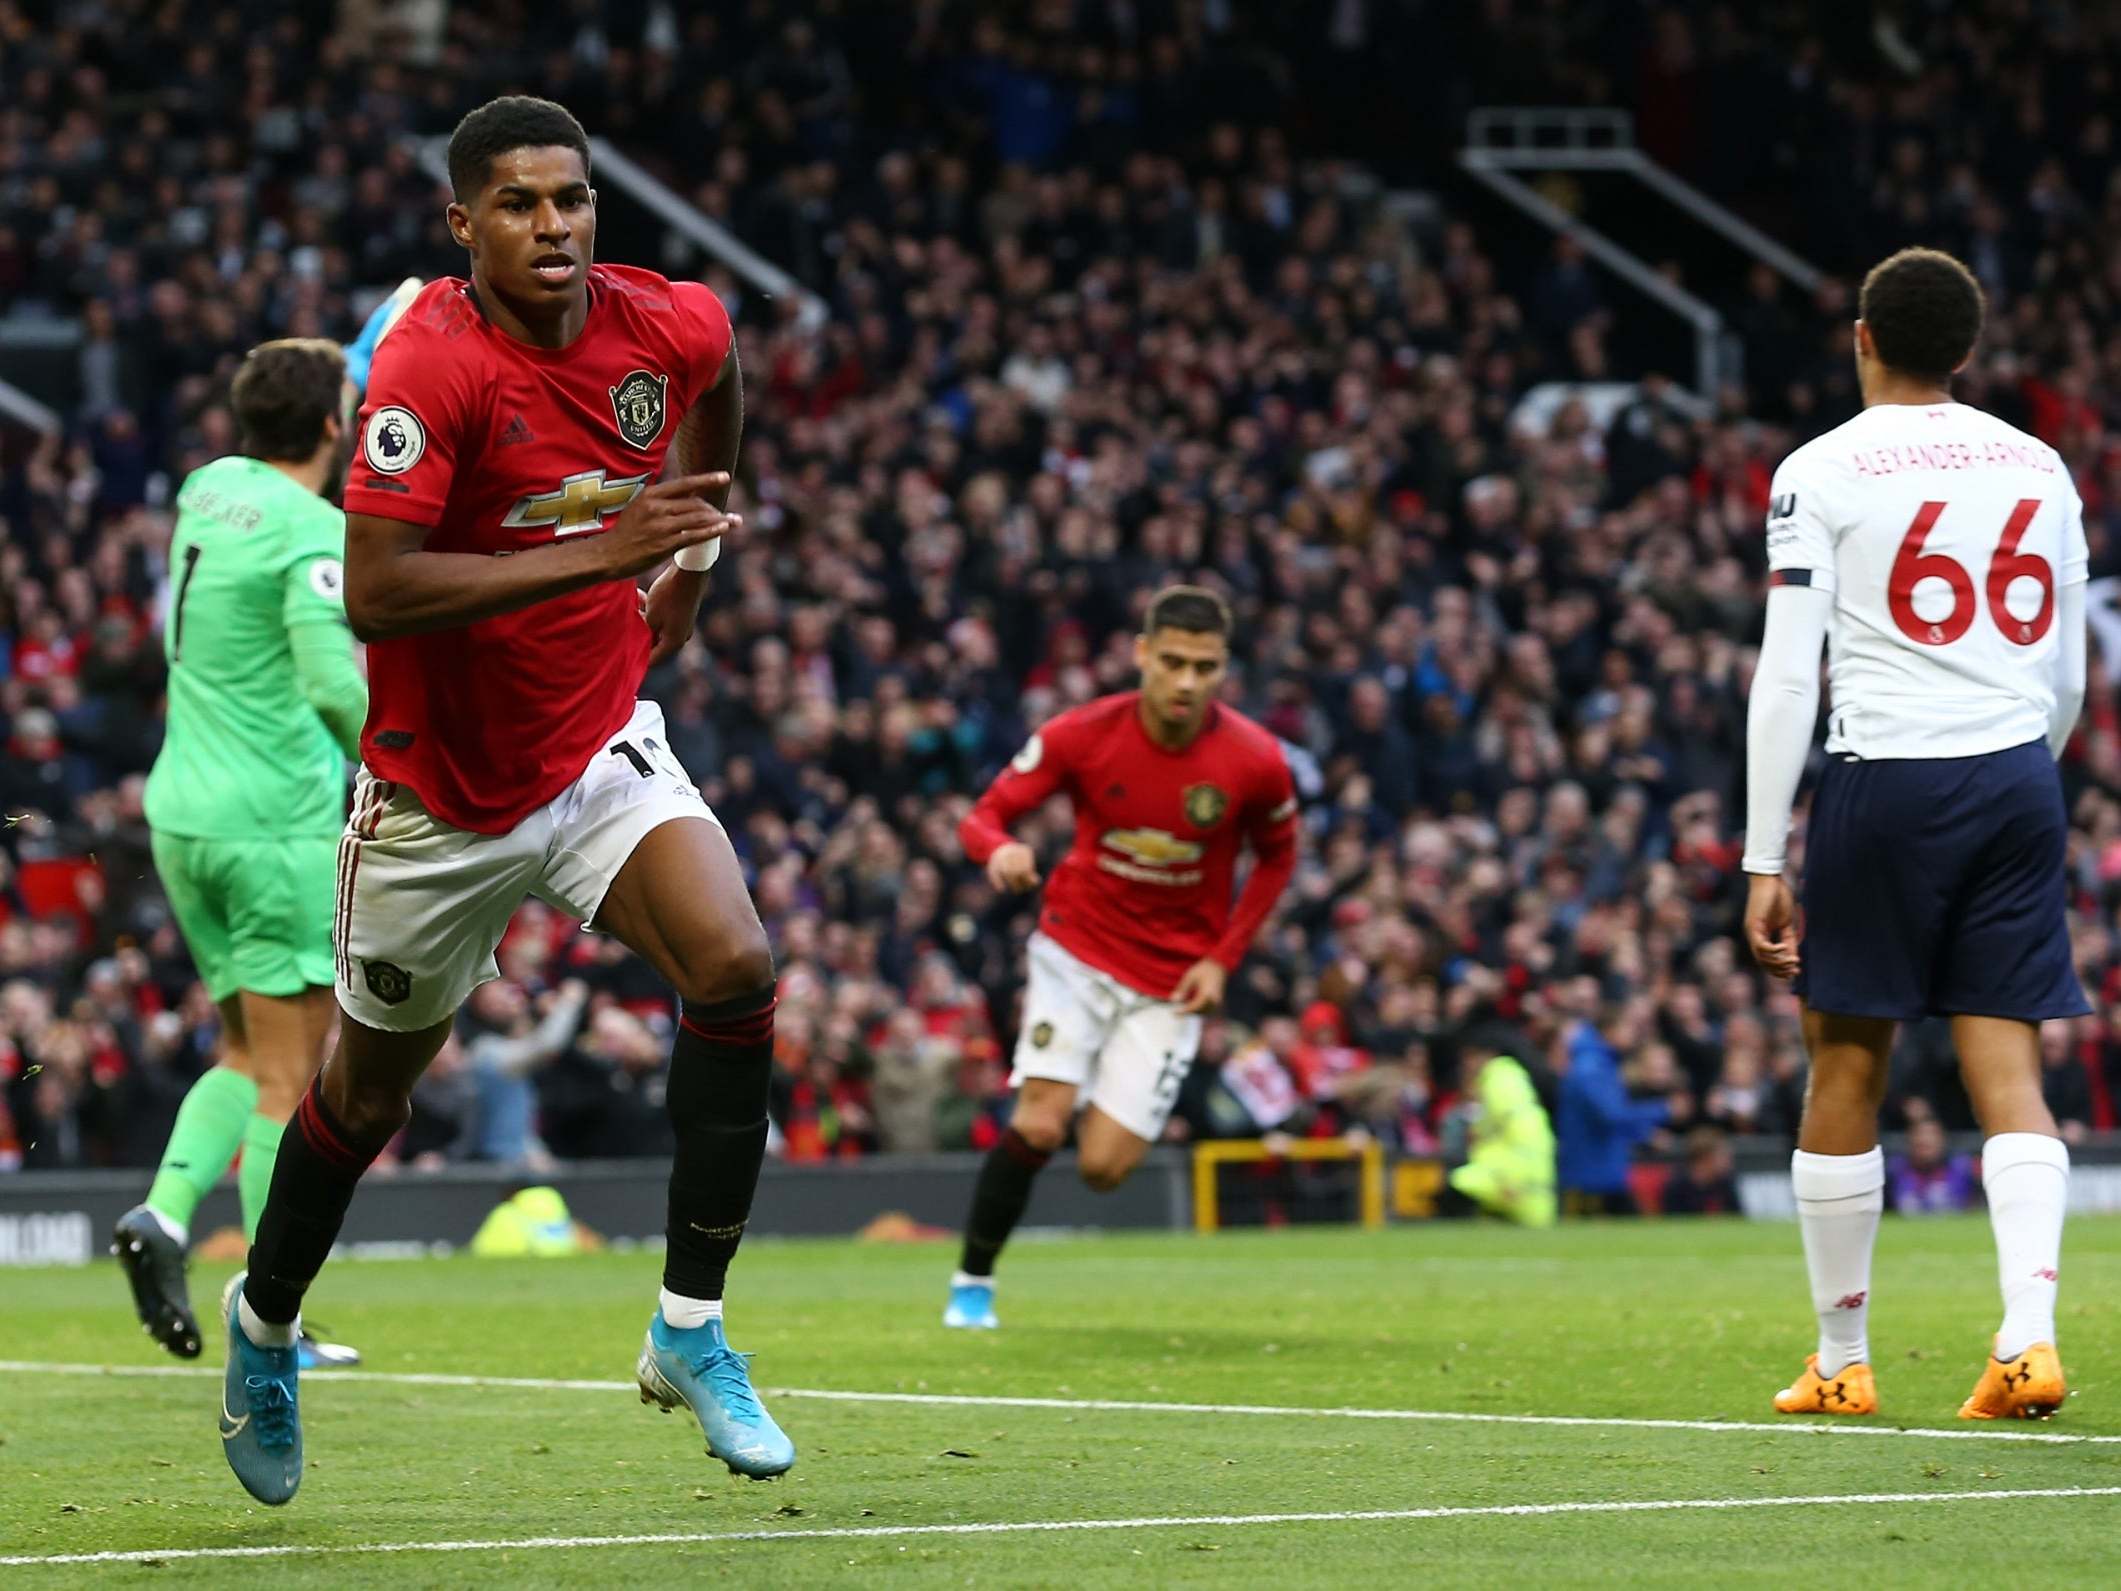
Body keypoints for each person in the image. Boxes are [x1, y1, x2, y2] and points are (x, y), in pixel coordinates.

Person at [217, 96, 792, 1507]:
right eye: (522, 204)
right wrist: (613, 545)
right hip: (436, 795)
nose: (555, 226)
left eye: (574, 199)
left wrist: (698, 549)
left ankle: (690, 1329)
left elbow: (726, 385)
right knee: (365, 1094)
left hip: (599, 742)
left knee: (736, 964)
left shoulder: (667, 324)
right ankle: (263, 1322)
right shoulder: (430, 369)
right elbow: (378, 588)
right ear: (461, 223)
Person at [1744, 247, 2087, 1422]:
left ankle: (1842, 1361)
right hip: (2013, 774)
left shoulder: (1818, 469)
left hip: (1886, 776)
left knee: (1847, 1059)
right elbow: (2072, 675)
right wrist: (2019, 774)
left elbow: (1790, 677)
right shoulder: (2039, 463)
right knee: (2010, 1070)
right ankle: (2026, 1339)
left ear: (1861, 336)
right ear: (1969, 351)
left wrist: (1760, 855)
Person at [115, 327, 403, 1373]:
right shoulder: (310, 532)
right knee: (295, 1079)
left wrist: (331, 372)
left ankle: (162, 1210)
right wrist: (398, 767)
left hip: (182, 813)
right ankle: (264, 1309)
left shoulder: (207, 488)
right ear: (339, 422)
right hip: (270, 829)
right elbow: (333, 685)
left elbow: (296, 403)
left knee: (243, 1049)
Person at [944, 586, 1299, 1328]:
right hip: (1075, 948)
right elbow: (983, 815)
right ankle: (972, 1280)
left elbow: (1276, 857)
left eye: (1204, 666)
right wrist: (1000, 848)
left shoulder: (1255, 760)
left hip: (1171, 980)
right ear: (1141, 654)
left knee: (1105, 1167)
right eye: (1171, 661)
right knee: (1040, 1124)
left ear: (1223, 667)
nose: (1186, 681)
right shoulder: (1081, 733)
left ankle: (1090, 1077)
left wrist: (1222, 959)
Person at [1445, 1032, 1557, 1227]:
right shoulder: (1516, 1077)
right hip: (1536, 1183)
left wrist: (1477, 1128)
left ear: (1486, 1055)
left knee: (1457, 1185)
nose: (1467, 1064)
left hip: (1509, 1174)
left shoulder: (1497, 1077)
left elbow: (1502, 1121)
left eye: (1470, 1057)